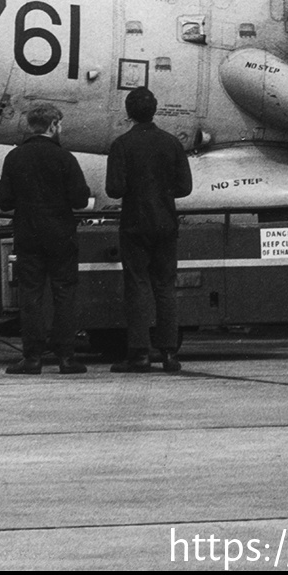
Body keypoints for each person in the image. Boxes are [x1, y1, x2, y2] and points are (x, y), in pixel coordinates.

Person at [0, 104, 91, 375]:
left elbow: (3, 201)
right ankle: (66, 358)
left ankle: (33, 358)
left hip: (28, 234)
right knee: (64, 295)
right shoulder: (65, 158)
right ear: (52, 126)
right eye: (59, 125)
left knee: (31, 296)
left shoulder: (15, 158)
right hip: (61, 235)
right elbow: (80, 199)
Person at [105, 87, 193, 372]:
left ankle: (140, 354)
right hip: (166, 223)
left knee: (138, 287)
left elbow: (114, 189)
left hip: (134, 224)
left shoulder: (121, 145)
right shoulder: (171, 144)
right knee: (165, 287)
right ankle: (169, 354)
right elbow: (185, 187)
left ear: (129, 113)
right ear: (155, 110)